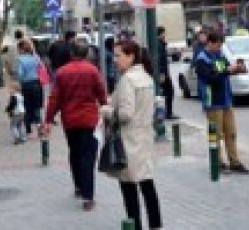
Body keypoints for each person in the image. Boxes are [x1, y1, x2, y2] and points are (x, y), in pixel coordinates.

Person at [103, 40, 163, 230]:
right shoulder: (147, 78)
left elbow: (126, 114)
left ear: (131, 56)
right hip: (145, 138)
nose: (115, 60)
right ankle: (156, 225)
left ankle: (135, 225)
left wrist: (107, 111)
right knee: (147, 183)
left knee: (129, 187)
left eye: (118, 55)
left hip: (129, 141)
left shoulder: (128, 80)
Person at [42, 41, 107, 211]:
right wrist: (104, 107)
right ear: (87, 54)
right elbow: (101, 93)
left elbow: (55, 98)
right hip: (89, 119)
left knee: (75, 152)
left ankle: (78, 184)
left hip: (70, 119)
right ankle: (88, 195)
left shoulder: (62, 72)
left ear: (71, 54)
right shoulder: (93, 70)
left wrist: (48, 119)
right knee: (88, 156)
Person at [194, 32, 249, 173]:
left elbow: (225, 70)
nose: (219, 48)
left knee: (231, 132)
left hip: (225, 99)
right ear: (210, 43)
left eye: (221, 46)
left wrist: (237, 68)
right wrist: (227, 71)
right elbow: (211, 77)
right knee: (216, 134)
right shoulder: (201, 59)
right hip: (212, 101)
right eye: (218, 45)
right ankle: (217, 162)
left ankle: (234, 161)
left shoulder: (219, 55)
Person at [17, 39, 44, 136]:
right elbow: (41, 67)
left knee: (27, 107)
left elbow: (20, 74)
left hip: (26, 85)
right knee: (37, 107)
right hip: (36, 83)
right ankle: (40, 128)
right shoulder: (36, 57)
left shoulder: (20, 59)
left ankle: (28, 130)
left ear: (22, 50)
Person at [157, 27, 178, 120]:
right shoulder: (159, 45)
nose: (165, 35)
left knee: (165, 92)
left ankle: (165, 112)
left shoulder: (161, 44)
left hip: (163, 73)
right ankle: (167, 113)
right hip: (163, 73)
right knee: (169, 92)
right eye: (164, 33)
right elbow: (160, 60)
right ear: (161, 34)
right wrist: (162, 73)